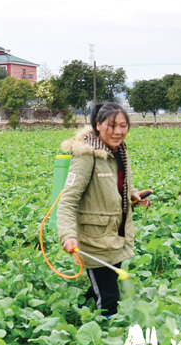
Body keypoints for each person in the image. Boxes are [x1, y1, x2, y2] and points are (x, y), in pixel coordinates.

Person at [57, 102, 151, 317]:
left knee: (103, 284)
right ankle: (108, 339)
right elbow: (68, 200)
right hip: (95, 240)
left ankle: (80, 309)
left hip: (116, 234)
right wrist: (68, 236)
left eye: (123, 125)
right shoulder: (86, 155)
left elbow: (120, 183)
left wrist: (133, 194)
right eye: (112, 125)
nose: (119, 131)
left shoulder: (118, 151)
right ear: (98, 125)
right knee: (109, 298)